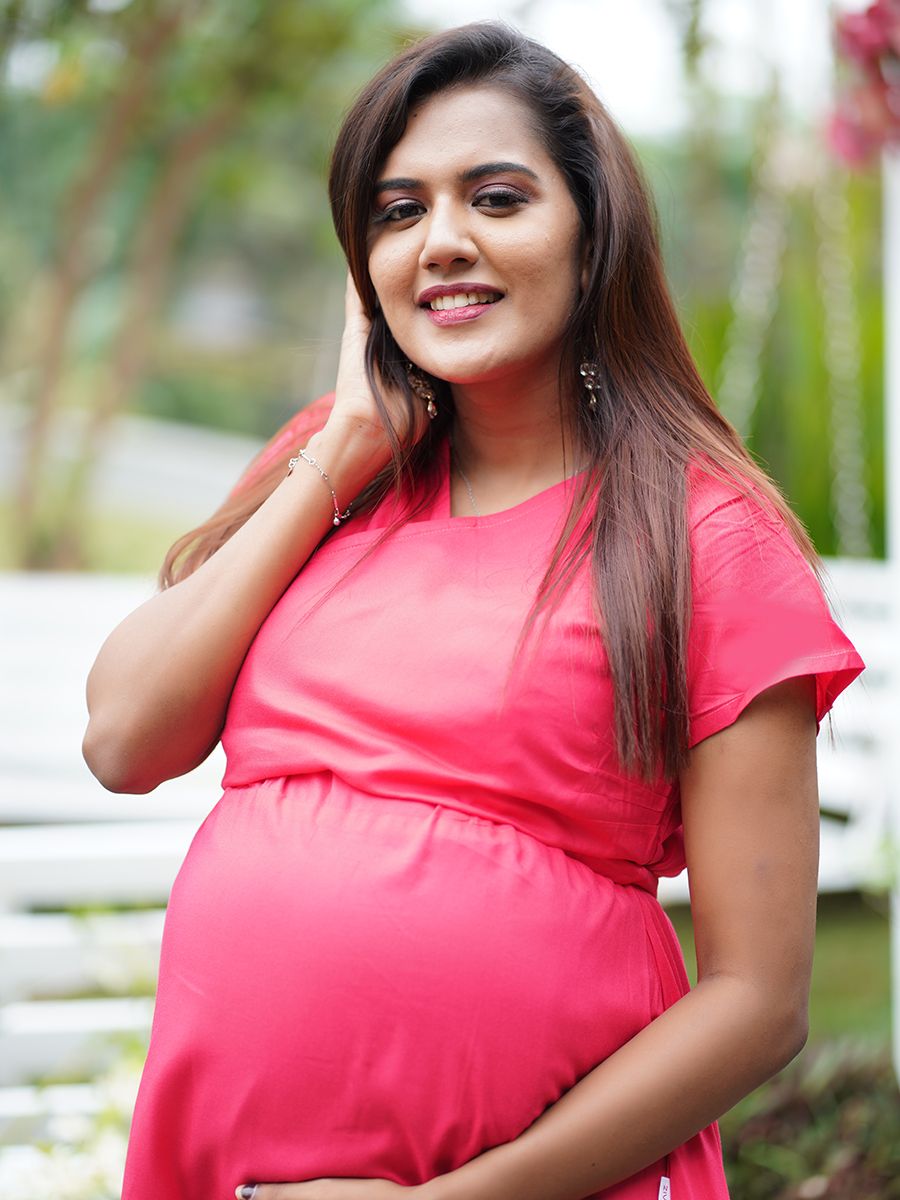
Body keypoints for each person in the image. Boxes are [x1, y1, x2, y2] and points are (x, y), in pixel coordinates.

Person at [83, 21, 866, 1200]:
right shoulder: (330, 473)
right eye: (398, 213)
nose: (442, 242)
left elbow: (759, 1003)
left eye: (496, 198)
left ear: (591, 230)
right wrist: (345, 447)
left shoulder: (708, 538)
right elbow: (124, 738)